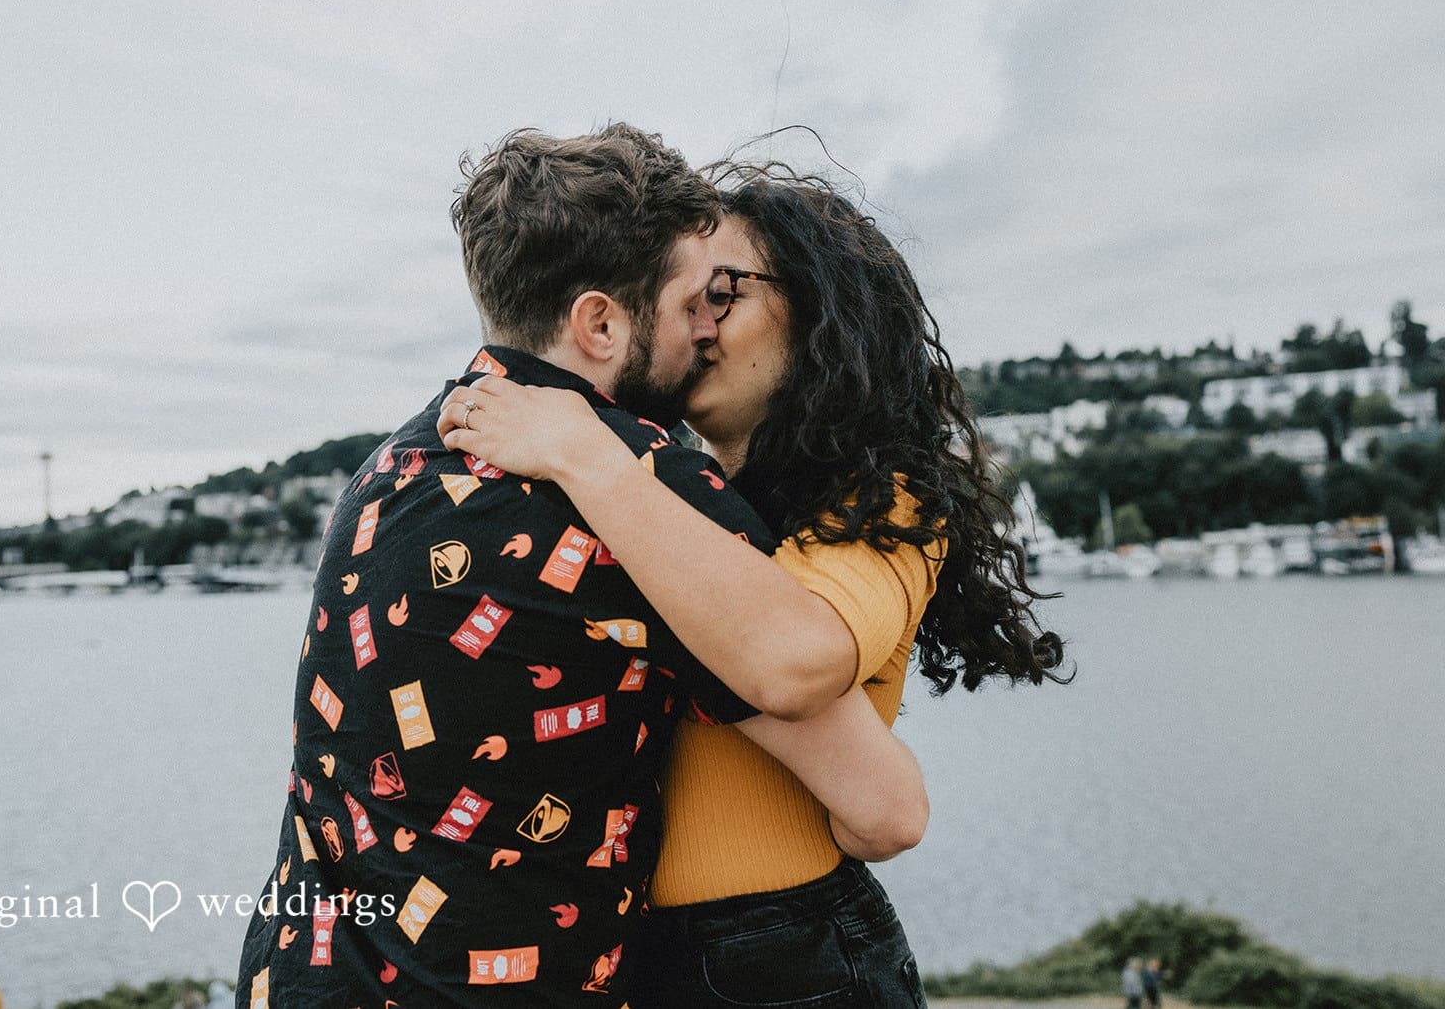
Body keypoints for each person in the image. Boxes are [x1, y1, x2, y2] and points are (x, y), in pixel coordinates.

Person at [236, 127, 930, 1008]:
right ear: (600, 323)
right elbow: (880, 801)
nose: (706, 329)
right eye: (693, 303)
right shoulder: (640, 488)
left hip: (297, 977)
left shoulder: (385, 475)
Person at [437, 164, 1067, 1007]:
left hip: (785, 950)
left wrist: (583, 452)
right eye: (684, 298)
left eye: (723, 293)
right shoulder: (661, 498)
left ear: (819, 311)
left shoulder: (887, 500)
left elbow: (791, 660)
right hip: (640, 957)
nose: (694, 323)